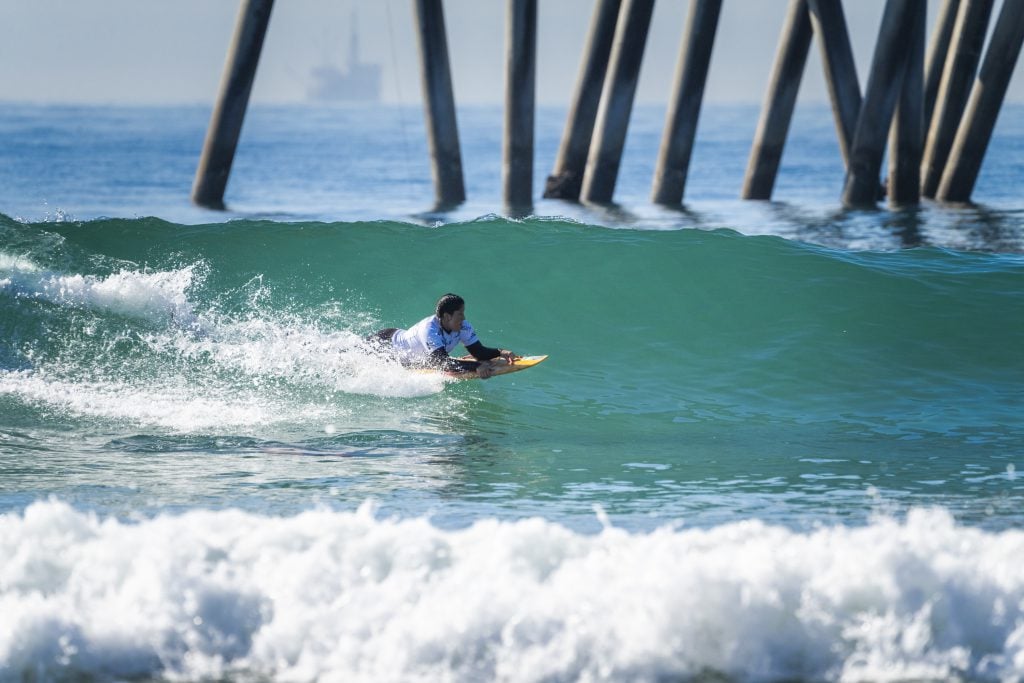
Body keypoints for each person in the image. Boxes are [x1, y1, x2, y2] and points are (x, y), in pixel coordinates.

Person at [367, 293, 517, 379]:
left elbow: (478, 352)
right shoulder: (429, 329)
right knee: (349, 362)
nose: (463, 318)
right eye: (460, 314)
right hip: (384, 343)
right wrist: (477, 366)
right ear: (447, 316)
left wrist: (500, 352)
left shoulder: (463, 326)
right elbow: (441, 363)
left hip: (405, 354)